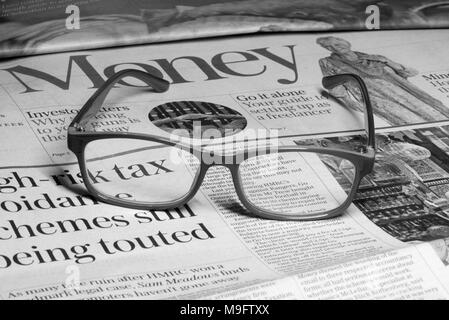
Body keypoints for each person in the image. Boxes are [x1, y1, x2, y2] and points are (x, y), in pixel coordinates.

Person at [317, 36, 449, 125]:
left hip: (409, 95)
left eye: (338, 42)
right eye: (329, 46)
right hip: (379, 98)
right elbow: (333, 85)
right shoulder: (328, 62)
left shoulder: (375, 57)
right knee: (410, 121)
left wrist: (389, 62)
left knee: (436, 116)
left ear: (346, 42)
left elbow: (410, 73)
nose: (336, 47)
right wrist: (348, 101)